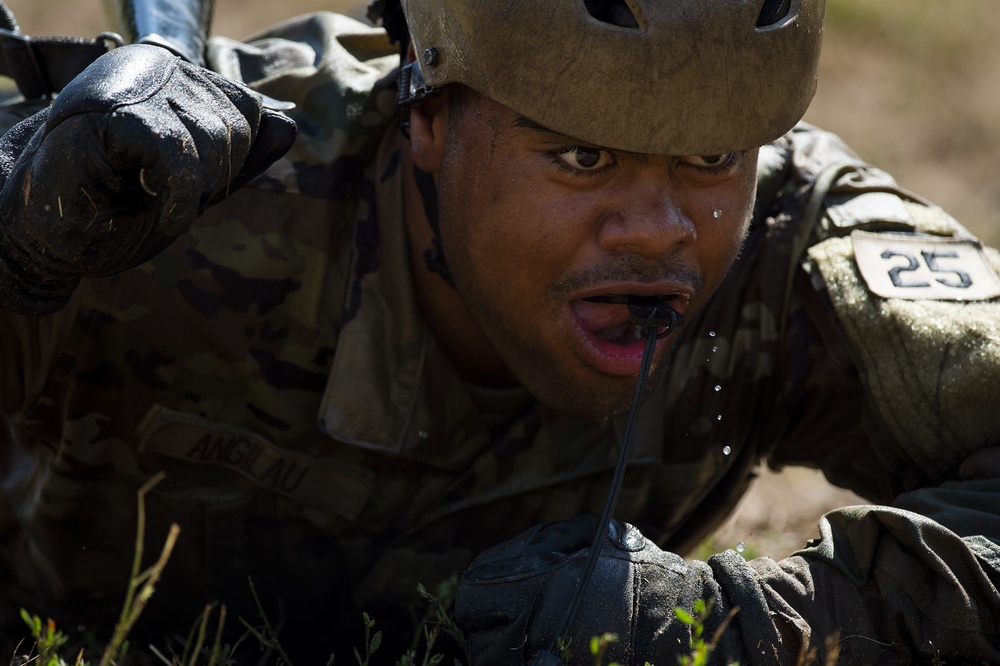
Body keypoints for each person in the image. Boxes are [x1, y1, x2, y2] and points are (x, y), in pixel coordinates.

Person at [0, 0, 998, 663]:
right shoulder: (166, 179)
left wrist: (742, 628)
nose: (658, 228)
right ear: (427, 113)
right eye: (580, 156)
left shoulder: (794, 240)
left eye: (708, 155)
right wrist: (24, 251)